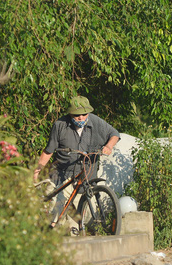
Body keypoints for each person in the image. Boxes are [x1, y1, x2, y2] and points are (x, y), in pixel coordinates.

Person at [34, 96, 120, 228]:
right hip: (62, 176)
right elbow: (48, 151)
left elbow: (114, 134)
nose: (81, 118)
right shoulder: (60, 125)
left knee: (81, 220)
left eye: (84, 114)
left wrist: (108, 146)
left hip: (86, 176)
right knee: (56, 213)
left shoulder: (96, 122)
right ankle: (52, 231)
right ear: (70, 113)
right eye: (76, 115)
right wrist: (37, 170)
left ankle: (73, 232)